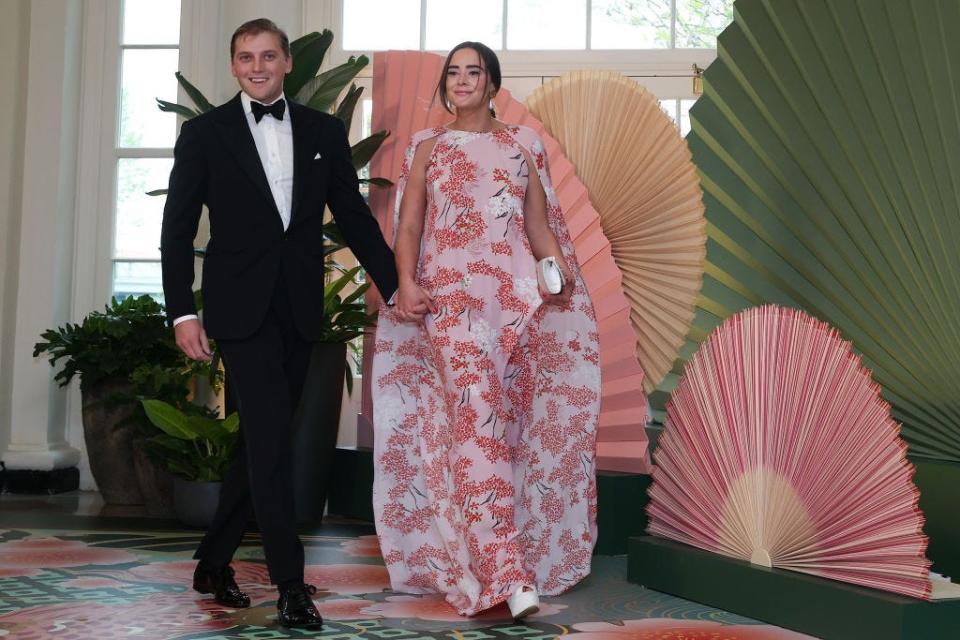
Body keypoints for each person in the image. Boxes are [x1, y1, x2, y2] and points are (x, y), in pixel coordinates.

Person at [160, 18, 401, 628]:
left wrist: (396, 283)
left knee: (258, 445)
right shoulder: (204, 133)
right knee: (272, 444)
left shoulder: (323, 129)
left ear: (288, 62)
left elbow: (352, 213)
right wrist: (182, 311)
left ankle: (212, 563)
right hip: (238, 314)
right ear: (234, 66)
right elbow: (177, 230)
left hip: (298, 308)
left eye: (268, 56)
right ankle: (291, 584)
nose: (257, 67)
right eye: (246, 58)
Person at [371, 41, 601, 619]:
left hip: (516, 305)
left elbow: (538, 223)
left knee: (509, 427)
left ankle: (493, 557)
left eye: (474, 72)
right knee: (477, 424)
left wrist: (556, 273)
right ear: (445, 84)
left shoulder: (524, 143)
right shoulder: (426, 148)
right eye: (454, 72)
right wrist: (406, 282)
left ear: (493, 83)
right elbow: (410, 225)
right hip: (449, 306)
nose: (463, 80)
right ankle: (507, 574)